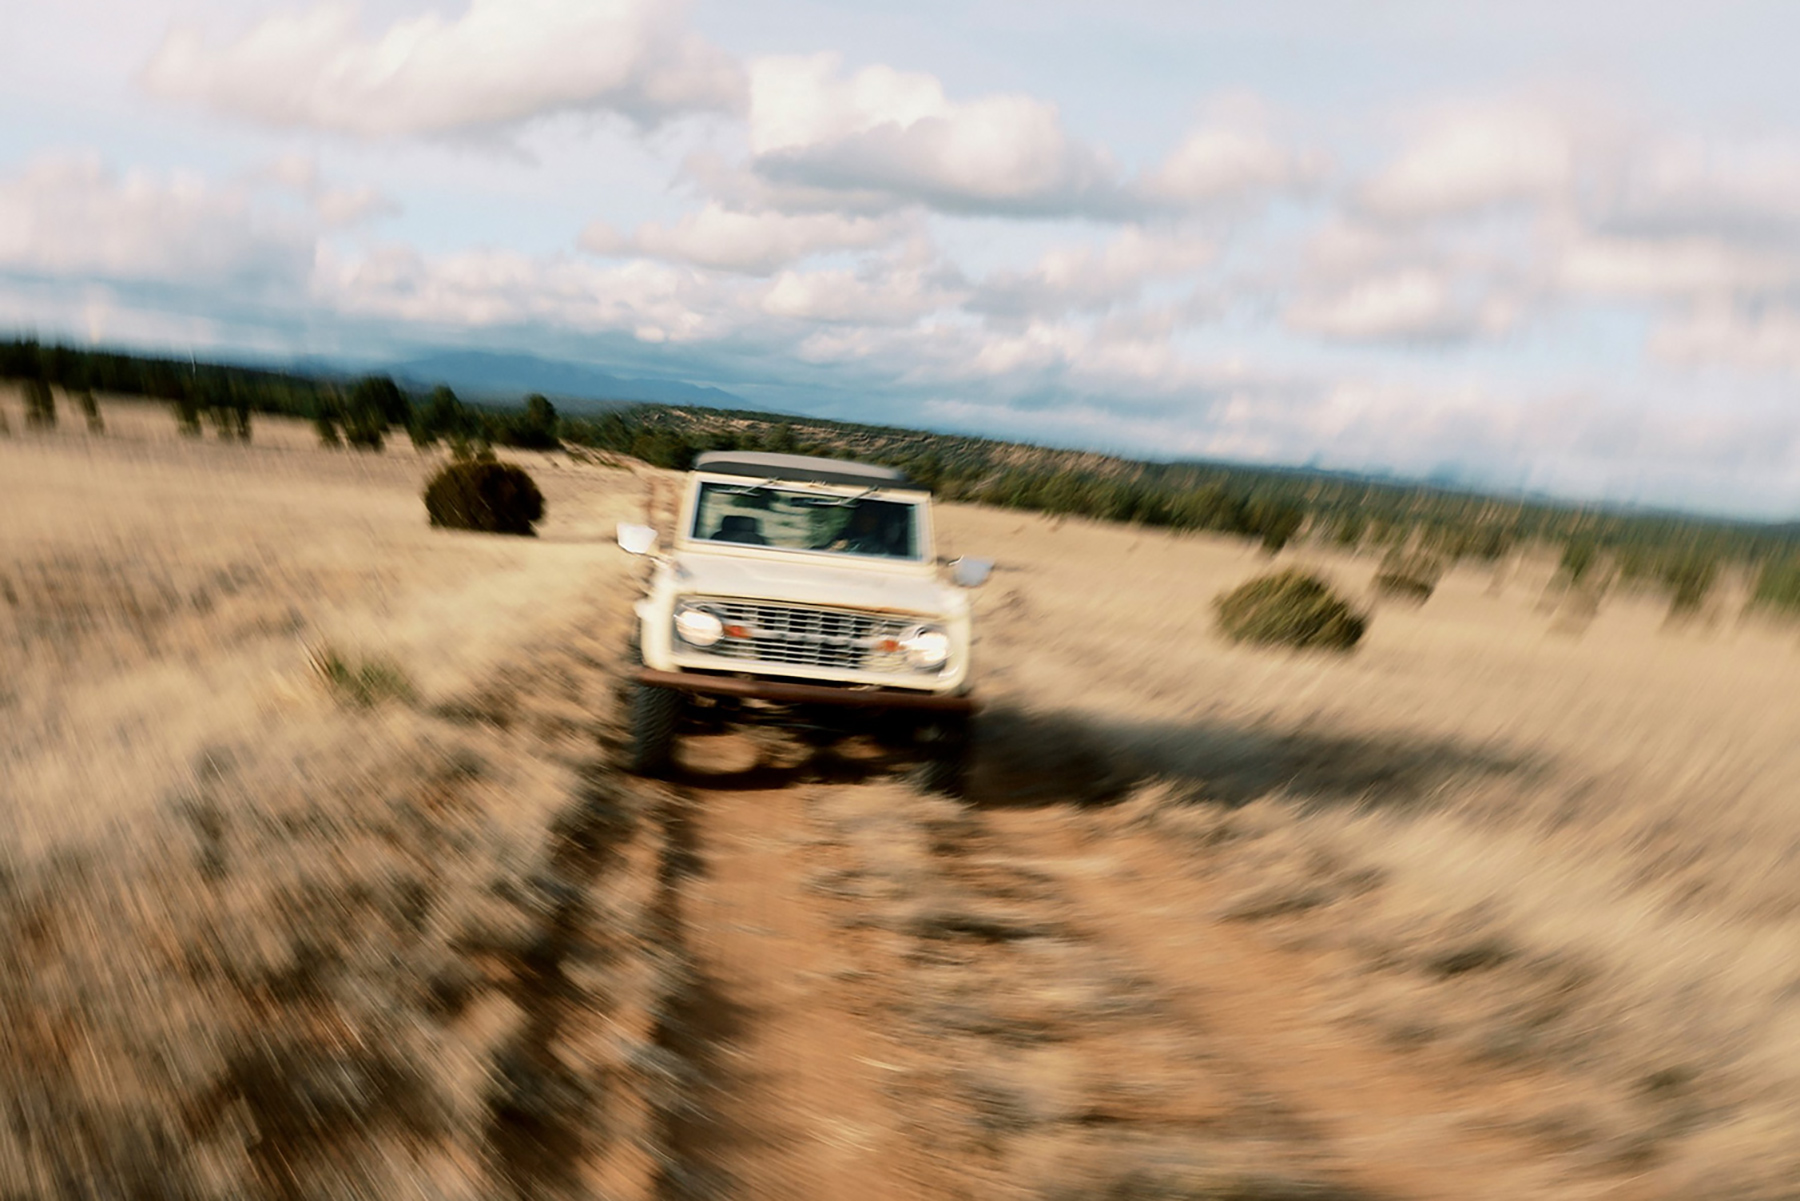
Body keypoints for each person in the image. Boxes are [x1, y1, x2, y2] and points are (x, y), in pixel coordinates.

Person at [819, 500, 905, 555]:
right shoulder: (845, 534)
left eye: (870, 515)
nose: (864, 519)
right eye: (862, 514)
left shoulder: (880, 549)